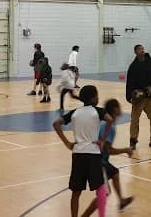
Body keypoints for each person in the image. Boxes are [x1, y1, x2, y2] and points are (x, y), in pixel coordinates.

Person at [53, 85, 114, 217]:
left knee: (76, 192)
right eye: (97, 95)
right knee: (101, 189)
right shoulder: (98, 111)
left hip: (78, 154)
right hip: (93, 154)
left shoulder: (75, 112)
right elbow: (110, 119)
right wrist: (102, 140)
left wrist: (67, 143)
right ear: (93, 98)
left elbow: (56, 124)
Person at [80, 99, 134, 216]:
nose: (121, 109)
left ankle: (121, 201)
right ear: (115, 110)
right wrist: (126, 150)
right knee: (104, 193)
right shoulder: (109, 127)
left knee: (114, 173)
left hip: (98, 160)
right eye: (119, 107)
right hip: (97, 162)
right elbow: (108, 150)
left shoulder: (105, 123)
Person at [126, 44, 151, 149]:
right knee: (135, 120)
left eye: (143, 49)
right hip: (138, 98)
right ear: (135, 52)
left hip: (150, 97)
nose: (142, 50)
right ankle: (133, 141)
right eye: (139, 49)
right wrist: (129, 96)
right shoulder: (133, 67)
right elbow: (129, 83)